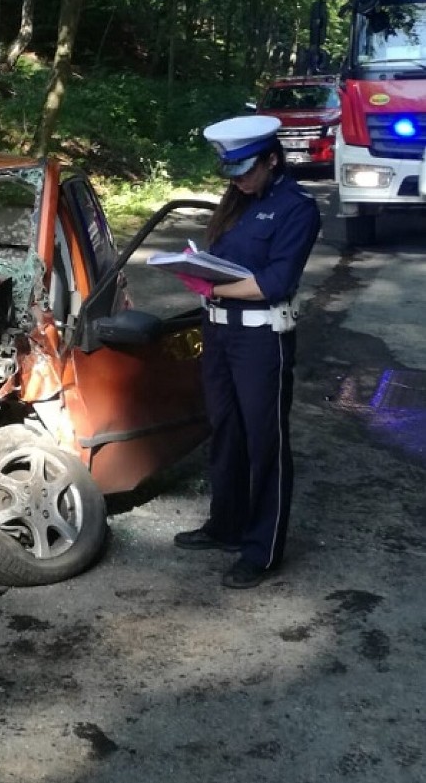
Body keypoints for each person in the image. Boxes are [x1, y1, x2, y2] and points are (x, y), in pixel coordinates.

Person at [172, 115, 321, 589]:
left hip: (262, 339)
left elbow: (276, 282)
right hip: (219, 335)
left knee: (265, 443)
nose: (236, 179)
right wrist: (199, 267)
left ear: (272, 159)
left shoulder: (297, 208)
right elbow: (226, 262)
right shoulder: (238, 201)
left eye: (245, 169)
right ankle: (226, 524)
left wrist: (212, 288)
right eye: (230, 171)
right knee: (226, 432)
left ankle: (262, 549)